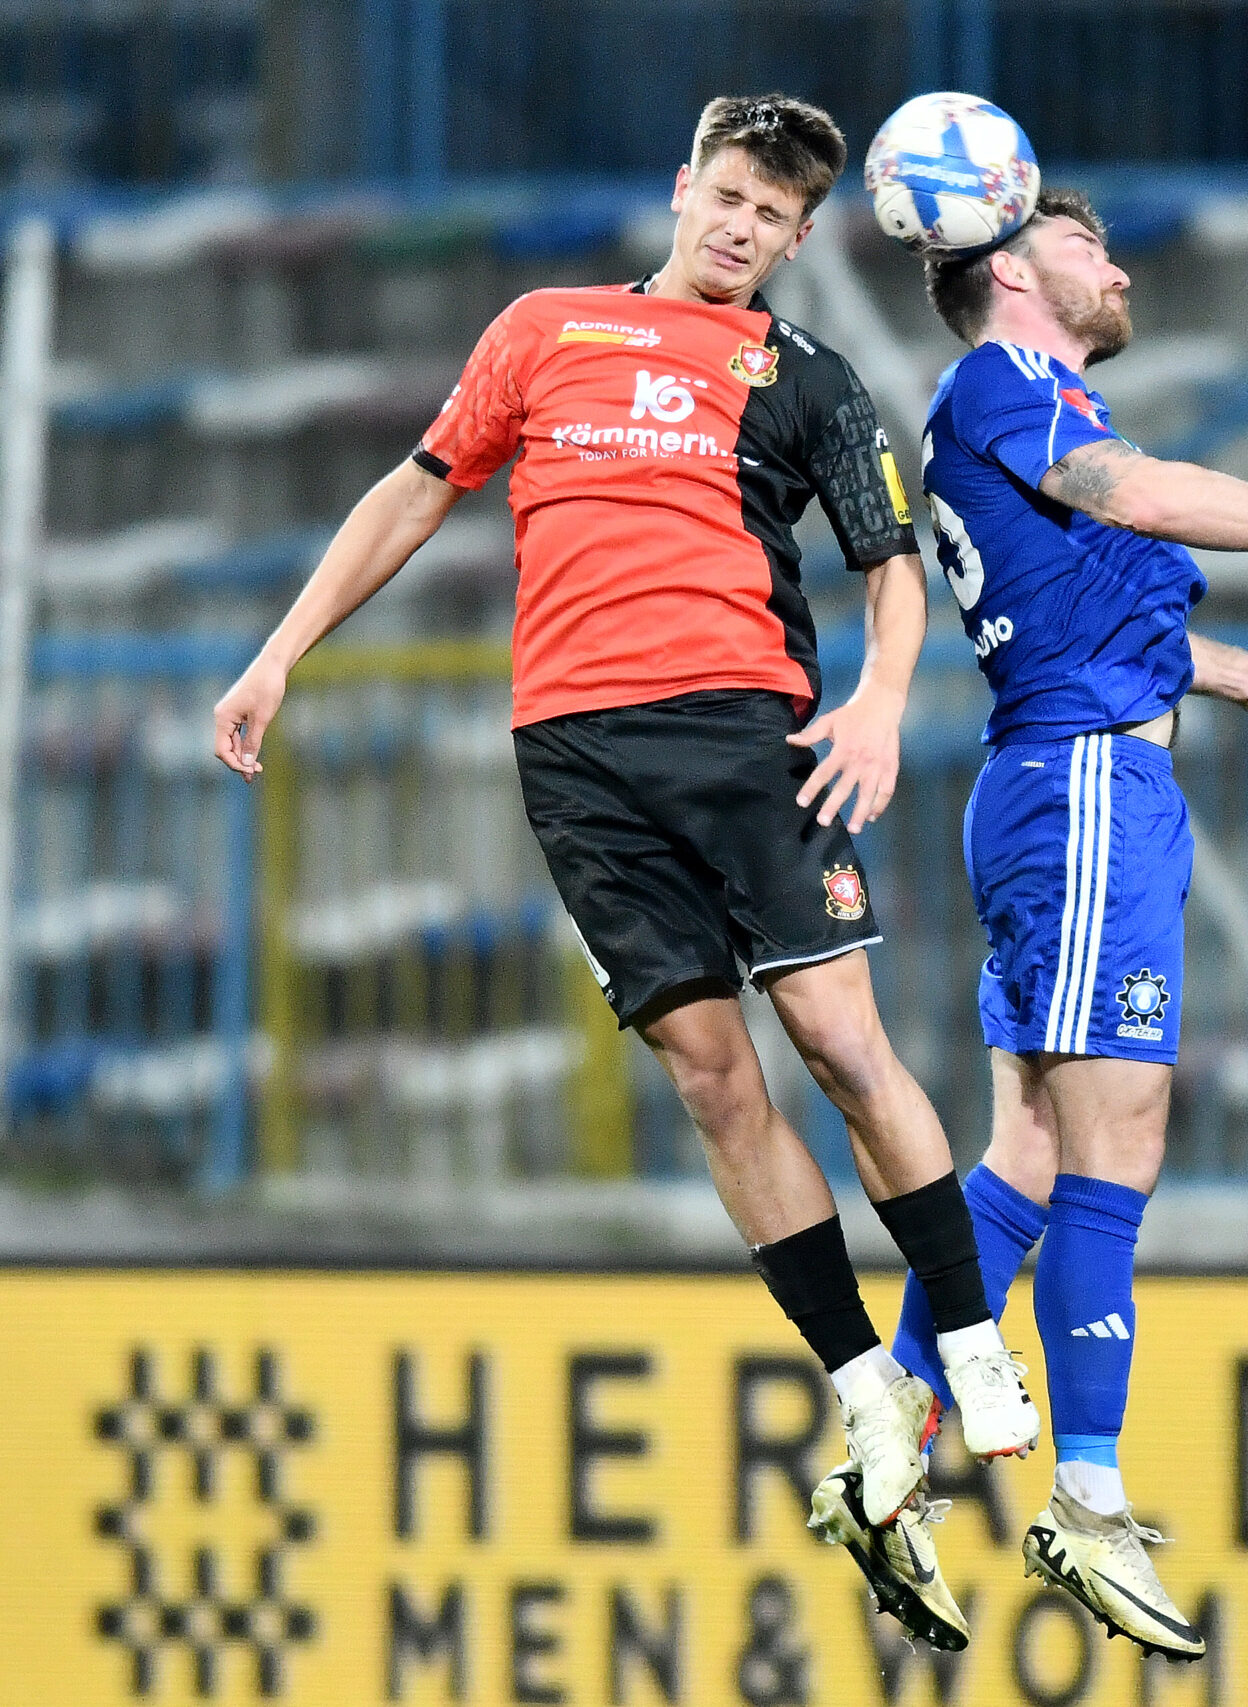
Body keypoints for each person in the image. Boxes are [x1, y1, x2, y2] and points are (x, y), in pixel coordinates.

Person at [208, 93, 1033, 1651]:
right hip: (577, 759)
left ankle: (974, 1339)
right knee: (714, 1079)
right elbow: (416, 485)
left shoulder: (805, 377)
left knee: (845, 1044)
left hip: (751, 740)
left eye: (771, 216)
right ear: (684, 188)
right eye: (724, 195)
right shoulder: (544, 329)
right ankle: (868, 1386)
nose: (738, 226)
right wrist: (279, 654)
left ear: (797, 240)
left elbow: (889, 565)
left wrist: (875, 698)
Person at [879, 187, 1248, 1658]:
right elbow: (1135, 495)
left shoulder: (1026, 402)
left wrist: (1225, 667)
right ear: (1010, 268)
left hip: (1078, 777)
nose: (1119, 264)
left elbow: (1081, 611)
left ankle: (890, 1442)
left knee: (1029, 1145)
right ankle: (1084, 1490)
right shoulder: (1007, 386)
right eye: (1087, 244)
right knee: (1117, 1139)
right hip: (1081, 793)